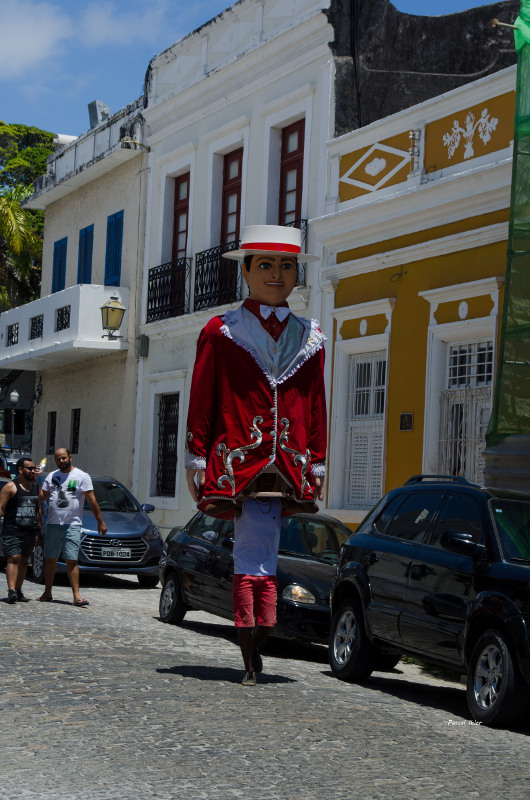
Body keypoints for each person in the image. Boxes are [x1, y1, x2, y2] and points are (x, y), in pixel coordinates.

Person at [185, 225, 327, 684]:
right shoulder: (223, 331)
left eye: (286, 265)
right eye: (264, 264)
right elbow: (203, 395)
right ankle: (250, 652)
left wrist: (318, 458)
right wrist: (196, 456)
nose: (276, 274)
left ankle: (254, 646)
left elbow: (316, 402)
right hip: (236, 459)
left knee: (266, 567)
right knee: (251, 569)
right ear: (245, 270)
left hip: (288, 461)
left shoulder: (310, 336)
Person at [39, 447, 107, 606]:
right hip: (53, 523)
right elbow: (42, 497)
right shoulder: (52, 476)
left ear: (70, 457)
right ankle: (47, 592)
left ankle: (76, 596)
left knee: (71, 560)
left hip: (72, 524)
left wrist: (101, 522)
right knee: (50, 559)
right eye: (58, 459)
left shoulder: (81, 476)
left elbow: (92, 501)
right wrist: (37, 480)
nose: (61, 461)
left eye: (63, 458)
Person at [0, 457, 41, 603]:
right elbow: (0, 508)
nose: (32, 471)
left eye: (33, 468)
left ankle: (18, 589)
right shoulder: (10, 487)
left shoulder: (36, 487)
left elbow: (38, 509)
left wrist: (38, 530)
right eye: (29, 468)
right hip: (13, 530)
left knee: (24, 560)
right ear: (20, 470)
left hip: (29, 531)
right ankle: (11, 590)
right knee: (14, 558)